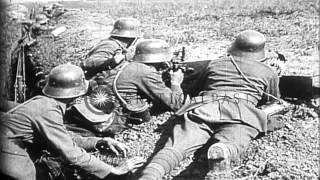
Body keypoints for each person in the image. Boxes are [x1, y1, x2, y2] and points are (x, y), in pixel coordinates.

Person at [137, 30, 281, 179]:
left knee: (175, 147)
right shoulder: (269, 72)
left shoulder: (215, 64)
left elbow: (196, 89)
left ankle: (150, 174)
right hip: (241, 112)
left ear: (235, 46)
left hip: (205, 108)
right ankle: (223, 148)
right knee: (237, 138)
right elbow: (273, 101)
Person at [0, 64, 145, 180]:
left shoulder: (46, 102)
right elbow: (71, 153)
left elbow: (64, 137)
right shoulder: (48, 111)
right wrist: (113, 170)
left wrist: (99, 141)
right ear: (76, 94)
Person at [69, 39, 185, 135]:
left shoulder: (126, 64)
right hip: (106, 119)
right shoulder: (146, 73)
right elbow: (176, 104)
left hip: (89, 107)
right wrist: (176, 83)